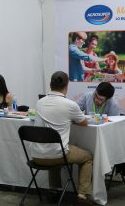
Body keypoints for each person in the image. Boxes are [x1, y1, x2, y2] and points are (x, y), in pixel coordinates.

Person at [31, 71, 93, 205]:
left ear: (50, 84)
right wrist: (70, 119)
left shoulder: (40, 102)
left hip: (36, 156)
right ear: (67, 86)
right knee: (87, 157)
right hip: (57, 156)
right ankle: (82, 196)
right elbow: (84, 123)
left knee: (52, 148)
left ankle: (53, 191)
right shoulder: (70, 105)